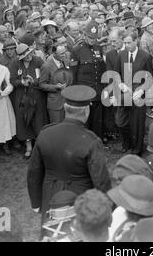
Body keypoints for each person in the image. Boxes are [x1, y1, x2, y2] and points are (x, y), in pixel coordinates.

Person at [27, 85, 111, 232]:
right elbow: (101, 181)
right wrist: (108, 208)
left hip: (50, 196)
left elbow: (34, 171)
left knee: (50, 235)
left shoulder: (46, 133)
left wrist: (36, 202)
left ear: (65, 108)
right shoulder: (91, 141)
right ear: (86, 111)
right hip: (80, 200)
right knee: (77, 235)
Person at [113, 31, 153, 155]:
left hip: (138, 95)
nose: (127, 45)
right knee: (120, 122)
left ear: (136, 41)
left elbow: (150, 77)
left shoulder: (145, 56)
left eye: (129, 42)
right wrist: (120, 84)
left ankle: (137, 149)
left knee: (138, 124)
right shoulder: (122, 55)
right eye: (124, 43)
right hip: (124, 94)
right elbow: (116, 73)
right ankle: (127, 144)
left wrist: (142, 89)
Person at [9, 43, 47, 158]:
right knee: (25, 120)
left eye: (29, 53)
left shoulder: (38, 60)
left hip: (37, 95)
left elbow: (45, 75)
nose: (28, 56)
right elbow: (12, 79)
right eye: (25, 55)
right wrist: (21, 82)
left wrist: (35, 81)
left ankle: (40, 146)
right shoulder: (15, 63)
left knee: (39, 119)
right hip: (22, 97)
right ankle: (28, 146)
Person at [39, 44, 71, 123]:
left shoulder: (66, 62)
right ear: (54, 54)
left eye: (64, 52)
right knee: (56, 128)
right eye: (61, 54)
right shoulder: (46, 66)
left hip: (67, 103)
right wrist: (55, 87)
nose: (64, 55)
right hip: (55, 104)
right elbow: (42, 85)